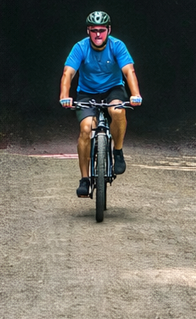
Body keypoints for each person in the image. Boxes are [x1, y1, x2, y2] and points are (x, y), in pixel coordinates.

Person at [59, 11, 142, 198]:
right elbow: (68, 73)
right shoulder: (80, 48)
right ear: (88, 31)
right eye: (94, 30)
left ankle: (117, 151)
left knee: (118, 111)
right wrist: (64, 96)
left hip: (113, 89)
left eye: (102, 30)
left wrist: (135, 94)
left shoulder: (117, 46)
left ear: (109, 30)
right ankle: (84, 179)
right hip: (87, 92)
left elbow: (128, 71)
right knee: (86, 129)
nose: (98, 34)